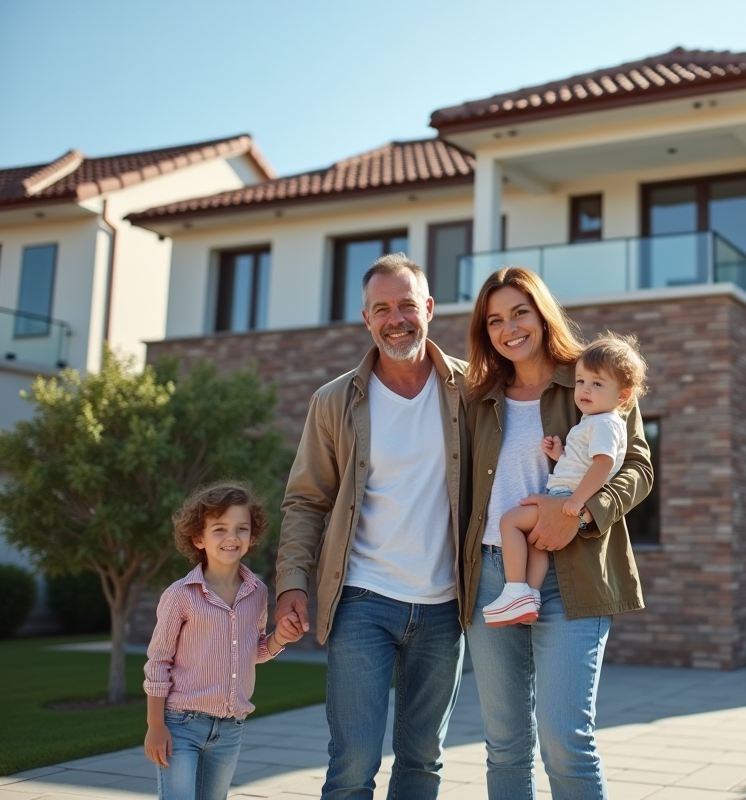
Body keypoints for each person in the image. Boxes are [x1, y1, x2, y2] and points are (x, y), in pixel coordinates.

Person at [274, 254, 469, 800]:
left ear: (429, 309)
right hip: (362, 601)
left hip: (444, 606)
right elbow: (306, 499)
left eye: (407, 304)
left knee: (423, 761)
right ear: (366, 318)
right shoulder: (334, 401)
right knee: (353, 762)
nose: (396, 318)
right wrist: (292, 581)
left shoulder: (471, 391)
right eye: (382, 308)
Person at [463, 267, 653, 799]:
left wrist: (580, 513)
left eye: (520, 312)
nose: (510, 327)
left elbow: (639, 469)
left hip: (572, 577)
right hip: (493, 578)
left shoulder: (595, 377)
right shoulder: (478, 398)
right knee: (504, 745)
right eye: (495, 319)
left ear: (542, 315)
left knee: (565, 740)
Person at [143, 481, 304, 800]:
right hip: (181, 724)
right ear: (198, 538)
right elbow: (159, 663)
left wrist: (278, 639)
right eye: (220, 529)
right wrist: (155, 725)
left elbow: (252, 651)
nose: (231, 537)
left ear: (252, 536)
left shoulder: (257, 593)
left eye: (241, 528)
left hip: (231, 729)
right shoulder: (180, 596)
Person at [482, 332, 648, 627]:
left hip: (563, 501)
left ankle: (515, 590)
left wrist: (576, 501)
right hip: (562, 496)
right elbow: (584, 463)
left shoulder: (606, 423)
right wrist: (561, 454)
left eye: (597, 384)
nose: (584, 389)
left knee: (509, 522)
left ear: (622, 395)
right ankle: (529, 598)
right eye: (581, 381)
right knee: (537, 545)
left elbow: (604, 464)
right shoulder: (593, 420)